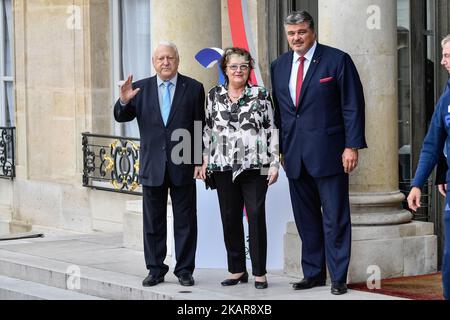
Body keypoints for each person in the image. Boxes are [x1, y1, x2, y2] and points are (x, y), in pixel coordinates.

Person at [270, 11, 367, 295]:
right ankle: (312, 273)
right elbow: (281, 112)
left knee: (335, 217)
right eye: (291, 34)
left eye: (301, 32)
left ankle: (338, 277)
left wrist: (352, 146)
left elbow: (352, 105)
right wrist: (278, 151)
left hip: (330, 153)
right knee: (306, 218)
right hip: (294, 155)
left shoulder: (338, 60)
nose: (296, 38)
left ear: (312, 32)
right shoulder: (279, 65)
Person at [114, 41, 205, 287]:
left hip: (183, 162)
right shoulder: (139, 88)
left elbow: (198, 125)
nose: (165, 62)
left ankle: (184, 270)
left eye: (170, 58)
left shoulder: (194, 88)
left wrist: (198, 160)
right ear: (153, 62)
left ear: (178, 60)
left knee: (185, 220)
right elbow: (122, 116)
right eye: (160, 59)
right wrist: (123, 101)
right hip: (152, 163)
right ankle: (155, 269)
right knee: (153, 221)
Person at [200, 47, 279, 289]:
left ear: (249, 70)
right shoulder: (213, 95)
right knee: (230, 217)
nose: (238, 71)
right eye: (233, 66)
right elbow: (206, 130)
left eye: (244, 66)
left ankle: (259, 272)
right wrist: (204, 159)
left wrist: (274, 163)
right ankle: (236, 270)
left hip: (256, 166)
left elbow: (271, 129)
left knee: (256, 216)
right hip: (222, 166)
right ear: (225, 69)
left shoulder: (261, 95)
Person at [407, 34, 450, 300]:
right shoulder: (446, 99)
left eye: (447, 55)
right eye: (444, 55)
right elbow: (433, 144)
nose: (443, 61)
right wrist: (416, 184)